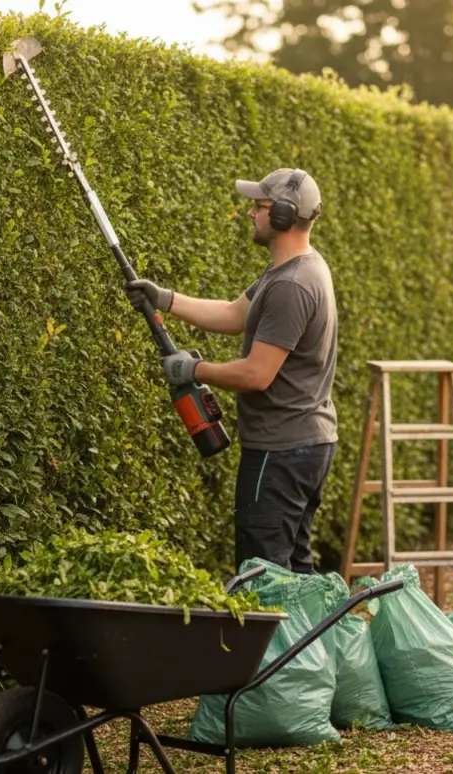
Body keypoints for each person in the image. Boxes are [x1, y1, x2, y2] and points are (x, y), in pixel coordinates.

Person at [125, 168, 338, 574]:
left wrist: (192, 368)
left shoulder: (292, 285)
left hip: (280, 453)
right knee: (295, 572)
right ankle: (311, 639)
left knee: (265, 577)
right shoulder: (295, 270)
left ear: (282, 215)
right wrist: (165, 299)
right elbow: (233, 314)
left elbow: (258, 374)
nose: (250, 214)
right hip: (305, 443)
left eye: (259, 207)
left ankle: (280, 642)